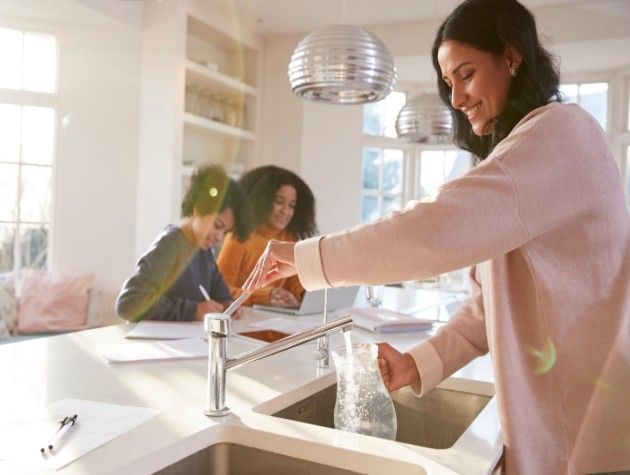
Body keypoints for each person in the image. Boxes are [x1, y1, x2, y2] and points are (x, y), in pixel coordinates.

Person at [241, 1, 630, 473]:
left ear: (511, 57)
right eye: (449, 84)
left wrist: (307, 257)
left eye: (466, 75)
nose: (457, 98)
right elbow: (487, 308)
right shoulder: (535, 150)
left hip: (586, 434)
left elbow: (434, 230)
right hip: (565, 428)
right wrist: (417, 365)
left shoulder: (561, 133)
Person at [116, 165, 253, 322]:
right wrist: (194, 310)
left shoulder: (203, 250)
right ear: (200, 208)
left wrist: (228, 304)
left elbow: (218, 288)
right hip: (155, 343)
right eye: (217, 225)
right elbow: (128, 304)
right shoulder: (171, 244)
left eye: (225, 232)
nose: (219, 238)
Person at [217, 165, 317, 307]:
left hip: (277, 322)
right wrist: (265, 296)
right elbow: (220, 291)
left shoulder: (289, 237)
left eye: (292, 205)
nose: (285, 211)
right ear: (262, 200)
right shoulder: (239, 236)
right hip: (243, 320)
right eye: (279, 202)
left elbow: (294, 285)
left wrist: (306, 294)